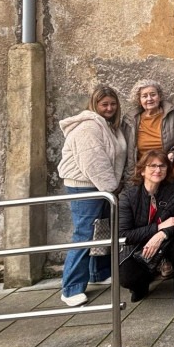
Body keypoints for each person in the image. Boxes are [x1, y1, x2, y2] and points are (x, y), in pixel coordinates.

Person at [59, 85, 130, 307]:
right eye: (104, 104)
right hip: (85, 186)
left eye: (112, 104)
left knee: (101, 230)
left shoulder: (109, 126)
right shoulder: (88, 127)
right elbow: (94, 162)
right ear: (94, 105)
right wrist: (111, 187)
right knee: (85, 234)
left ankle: (98, 274)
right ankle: (70, 288)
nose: (109, 108)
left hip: (101, 186)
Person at [119, 150, 174, 304]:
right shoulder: (127, 196)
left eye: (162, 166)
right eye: (152, 166)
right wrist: (158, 227)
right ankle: (142, 284)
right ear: (142, 171)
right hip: (138, 245)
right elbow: (124, 235)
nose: (158, 170)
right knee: (126, 278)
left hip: (167, 240)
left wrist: (162, 234)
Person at [125, 79, 174, 179]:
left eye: (153, 94)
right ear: (139, 100)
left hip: (169, 175)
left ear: (159, 96)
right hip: (142, 176)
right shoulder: (130, 120)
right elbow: (127, 156)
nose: (149, 99)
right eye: (144, 96)